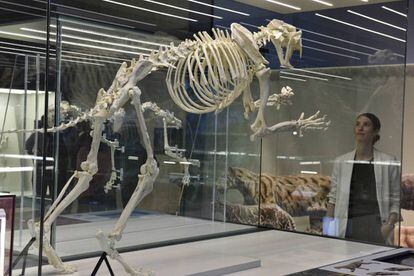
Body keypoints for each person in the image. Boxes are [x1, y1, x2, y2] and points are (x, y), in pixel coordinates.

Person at [325, 113, 400, 245]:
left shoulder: (388, 161)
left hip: (377, 229)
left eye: (366, 124)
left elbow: (396, 198)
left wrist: (389, 226)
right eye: (358, 124)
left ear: (375, 131)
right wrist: (327, 232)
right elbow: (333, 199)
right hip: (347, 228)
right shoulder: (341, 161)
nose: (360, 128)